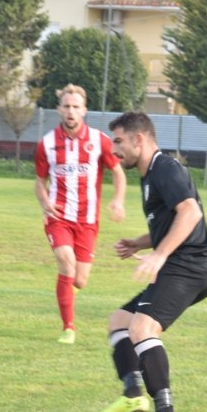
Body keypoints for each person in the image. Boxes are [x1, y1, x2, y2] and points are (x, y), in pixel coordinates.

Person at [92, 111, 207, 412]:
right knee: (120, 321)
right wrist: (140, 242)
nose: (113, 149)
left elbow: (191, 212)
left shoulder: (166, 168)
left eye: (118, 141)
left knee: (142, 326)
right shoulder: (149, 175)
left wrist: (160, 255)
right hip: (180, 264)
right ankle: (133, 396)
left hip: (190, 267)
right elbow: (169, 222)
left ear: (139, 139)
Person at [34, 84, 126, 344]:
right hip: (58, 217)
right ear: (59, 109)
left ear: (84, 110)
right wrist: (44, 201)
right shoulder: (47, 144)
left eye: (76, 107)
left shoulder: (99, 141)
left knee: (80, 280)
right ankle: (68, 328)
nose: (71, 111)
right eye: (66, 106)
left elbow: (118, 172)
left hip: (87, 220)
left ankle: (67, 290)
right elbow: (40, 181)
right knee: (66, 260)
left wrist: (118, 200)